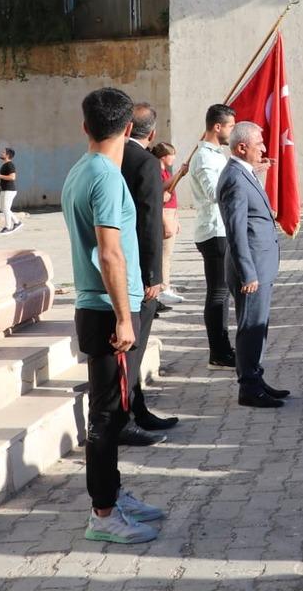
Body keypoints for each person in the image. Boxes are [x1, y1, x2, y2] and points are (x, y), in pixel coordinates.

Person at [61, 87, 164, 544]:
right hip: (107, 310)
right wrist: (125, 316)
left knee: (113, 411)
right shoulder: (104, 176)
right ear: (128, 128)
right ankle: (103, 513)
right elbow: (110, 253)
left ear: (86, 126)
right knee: (107, 417)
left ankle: (113, 495)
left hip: (99, 307)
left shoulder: (81, 170)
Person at [118, 103, 179, 445]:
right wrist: (153, 274)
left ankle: (138, 408)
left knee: (134, 352)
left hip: (120, 264)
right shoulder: (145, 161)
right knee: (134, 350)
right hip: (138, 270)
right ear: (152, 133)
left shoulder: (113, 154)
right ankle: (128, 415)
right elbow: (150, 220)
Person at [218, 121, 287, 408]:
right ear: (241, 147)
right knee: (250, 328)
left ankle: (255, 377)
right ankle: (248, 387)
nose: (264, 148)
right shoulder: (234, 178)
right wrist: (247, 273)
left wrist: (259, 172)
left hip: (260, 264)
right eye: (259, 144)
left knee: (259, 326)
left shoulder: (243, 172)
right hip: (251, 269)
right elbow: (235, 232)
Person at [188, 104, 238, 369]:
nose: (233, 131)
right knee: (218, 293)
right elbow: (213, 192)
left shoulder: (217, 155)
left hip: (222, 228)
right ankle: (218, 352)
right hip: (214, 231)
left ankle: (223, 348)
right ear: (217, 127)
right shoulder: (204, 157)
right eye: (231, 126)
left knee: (223, 292)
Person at [150, 142, 187, 306]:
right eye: (171, 155)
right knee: (164, 255)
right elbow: (161, 189)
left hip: (171, 213)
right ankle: (163, 288)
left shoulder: (165, 172)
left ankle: (166, 285)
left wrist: (176, 219)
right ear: (164, 156)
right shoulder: (157, 172)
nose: (174, 158)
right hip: (164, 214)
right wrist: (179, 174)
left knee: (168, 255)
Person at [0, 147, 23, 234]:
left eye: (3, 152)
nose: (1, 153)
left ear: (7, 155)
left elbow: (12, 177)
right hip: (4, 189)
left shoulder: (10, 165)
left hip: (9, 190)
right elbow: (5, 178)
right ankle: (17, 222)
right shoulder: (4, 165)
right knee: (2, 208)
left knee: (6, 208)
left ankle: (8, 227)